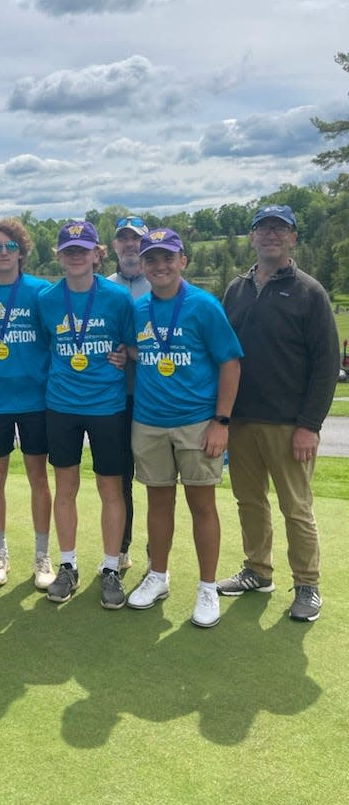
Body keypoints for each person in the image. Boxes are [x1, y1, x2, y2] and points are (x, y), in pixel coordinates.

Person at [217, 205, 340, 622]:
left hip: (290, 424)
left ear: (292, 238)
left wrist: (309, 426)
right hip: (242, 419)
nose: (271, 235)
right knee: (249, 501)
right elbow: (221, 352)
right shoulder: (236, 288)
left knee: (296, 507)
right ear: (252, 237)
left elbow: (326, 365)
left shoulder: (310, 291)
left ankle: (307, 584)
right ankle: (257, 570)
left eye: (280, 229)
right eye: (263, 228)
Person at [126, 228, 242, 628]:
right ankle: (158, 576)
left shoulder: (203, 306)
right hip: (149, 422)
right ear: (142, 265)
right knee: (157, 503)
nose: (160, 266)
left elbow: (230, 362)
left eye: (167, 258)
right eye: (151, 259)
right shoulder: (138, 310)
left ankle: (207, 587)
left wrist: (221, 422)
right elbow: (136, 352)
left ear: (182, 262)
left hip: (197, 424)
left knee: (202, 506)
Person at [37, 221, 135, 608]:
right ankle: (68, 565)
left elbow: (131, 344)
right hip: (61, 405)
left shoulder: (116, 298)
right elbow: (48, 344)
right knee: (66, 488)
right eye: (69, 250)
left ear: (98, 253)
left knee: (111, 489)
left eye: (83, 249)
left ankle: (111, 568)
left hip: (108, 406)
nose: (76, 256)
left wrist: (124, 353)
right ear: (59, 255)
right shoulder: (47, 300)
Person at [0, 217, 55, 590]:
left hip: (35, 399)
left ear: (21, 251)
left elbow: (62, 341)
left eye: (10, 247)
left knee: (39, 477)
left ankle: (42, 555)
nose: (3, 253)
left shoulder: (42, 293)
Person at [105, 214, 151, 573]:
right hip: (119, 398)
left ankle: (158, 556)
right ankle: (121, 548)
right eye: (123, 240)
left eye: (136, 239)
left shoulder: (163, 283)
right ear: (115, 247)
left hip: (156, 398)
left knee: (158, 480)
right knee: (121, 478)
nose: (130, 245)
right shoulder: (105, 287)